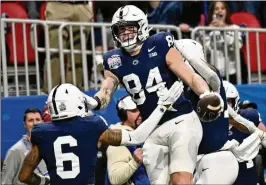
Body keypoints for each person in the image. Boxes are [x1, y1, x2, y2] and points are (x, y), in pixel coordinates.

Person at [85, 5, 224, 185]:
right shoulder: (113, 60)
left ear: (142, 26)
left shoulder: (159, 43)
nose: (125, 33)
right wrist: (94, 102)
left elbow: (190, 76)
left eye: (130, 27)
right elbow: (106, 91)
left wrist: (205, 93)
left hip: (180, 119)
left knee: (181, 180)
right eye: (121, 29)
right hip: (151, 127)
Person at [18, 82, 183, 185]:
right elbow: (137, 137)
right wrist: (162, 107)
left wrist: (45, 181)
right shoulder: (92, 126)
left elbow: (24, 176)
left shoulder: (42, 132)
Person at [175, 39, 238, 184]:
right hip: (195, 161)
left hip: (216, 158)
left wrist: (190, 58)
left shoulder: (209, 75)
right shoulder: (180, 85)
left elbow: (209, 76)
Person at [105, 95, 150, 185]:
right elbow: (114, 178)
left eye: (140, 109)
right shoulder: (118, 139)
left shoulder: (145, 133)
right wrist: (134, 162)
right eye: (134, 110)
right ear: (123, 114)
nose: (139, 113)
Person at [2, 108, 48, 185]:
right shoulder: (15, 151)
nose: (35, 123)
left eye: (37, 119)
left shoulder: (50, 145)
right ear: (25, 125)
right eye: (30, 120)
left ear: (43, 122)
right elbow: (6, 182)